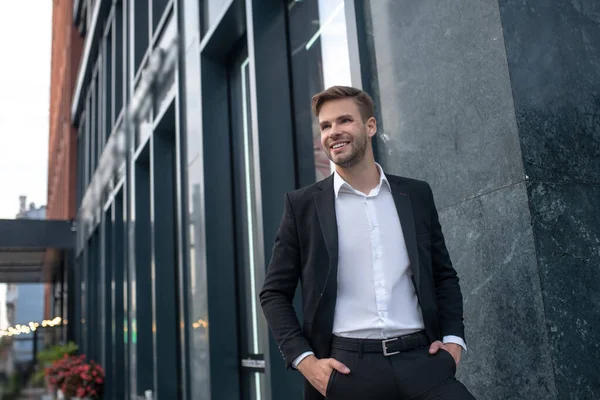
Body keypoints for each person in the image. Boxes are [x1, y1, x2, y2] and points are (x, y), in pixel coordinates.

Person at [260, 86, 475, 399]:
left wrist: (454, 339)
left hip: (423, 362)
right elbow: (273, 293)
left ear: (370, 126)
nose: (333, 132)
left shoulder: (414, 195)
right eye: (325, 126)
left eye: (344, 121)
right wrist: (305, 361)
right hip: (348, 371)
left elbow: (443, 275)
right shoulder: (302, 205)